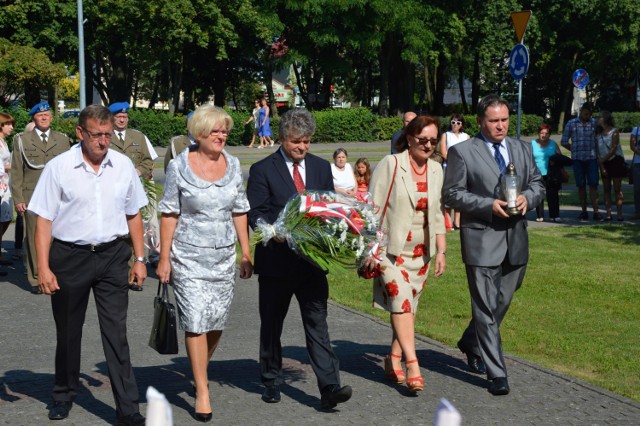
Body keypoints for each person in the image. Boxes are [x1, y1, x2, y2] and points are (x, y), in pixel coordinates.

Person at [28, 105, 148, 425]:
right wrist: (44, 267)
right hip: (69, 257)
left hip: (112, 256)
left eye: (108, 135)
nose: (103, 141)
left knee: (116, 332)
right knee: (68, 331)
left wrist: (139, 258)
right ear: (80, 133)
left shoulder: (122, 166)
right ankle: (63, 393)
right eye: (97, 135)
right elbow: (43, 220)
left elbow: (134, 213)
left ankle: (128, 408)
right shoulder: (59, 167)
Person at [247, 108, 352, 409]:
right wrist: (272, 231)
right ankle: (270, 379)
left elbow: (330, 209)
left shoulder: (320, 167)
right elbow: (255, 212)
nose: (302, 147)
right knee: (272, 324)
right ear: (281, 138)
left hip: (311, 264)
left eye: (306, 141)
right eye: (296, 142)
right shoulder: (262, 170)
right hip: (276, 262)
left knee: (318, 323)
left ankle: (330, 386)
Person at [156, 105, 253, 422]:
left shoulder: (234, 164)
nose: (222, 135)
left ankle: (199, 367)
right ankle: (202, 390)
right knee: (196, 320)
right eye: (216, 130)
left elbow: (239, 209)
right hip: (188, 256)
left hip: (223, 256)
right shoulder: (179, 166)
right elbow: (169, 212)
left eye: (225, 130)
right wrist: (165, 257)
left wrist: (246, 251)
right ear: (199, 133)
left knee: (216, 322)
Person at [443, 94, 545, 396]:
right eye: (494, 121)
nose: (501, 126)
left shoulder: (521, 147)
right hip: (481, 238)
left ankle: (471, 341)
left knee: (502, 302)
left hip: (516, 238)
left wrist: (530, 197)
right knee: (485, 306)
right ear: (480, 122)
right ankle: (496, 372)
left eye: (504, 120)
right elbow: (452, 194)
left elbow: (537, 183)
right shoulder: (463, 152)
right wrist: (489, 205)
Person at [364, 115, 447, 393]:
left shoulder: (436, 169)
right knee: (402, 302)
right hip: (391, 251)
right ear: (409, 138)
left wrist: (442, 249)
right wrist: (369, 248)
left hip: (421, 253)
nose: (428, 145)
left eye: (433, 141)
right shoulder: (392, 164)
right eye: (422, 140)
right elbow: (372, 208)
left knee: (409, 307)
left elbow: (437, 213)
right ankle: (413, 363)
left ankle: (394, 358)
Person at [11, 102, 70, 294]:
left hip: (58, 195)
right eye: (40, 115)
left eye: (47, 115)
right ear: (33, 119)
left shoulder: (62, 140)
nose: (44, 117)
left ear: (51, 118)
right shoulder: (22, 139)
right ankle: (37, 278)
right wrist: (18, 198)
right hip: (32, 194)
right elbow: (17, 172)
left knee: (59, 235)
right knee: (34, 236)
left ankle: (56, 273)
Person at [108, 101, 159, 290]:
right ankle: (116, 272)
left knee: (134, 231)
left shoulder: (138, 136)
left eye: (125, 116)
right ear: (112, 119)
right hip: (112, 191)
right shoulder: (106, 136)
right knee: (117, 233)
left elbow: (148, 161)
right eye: (119, 117)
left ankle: (133, 274)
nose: (122, 119)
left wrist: (139, 171)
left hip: (135, 189)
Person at [561, 102, 602, 221]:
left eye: (589, 114)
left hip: (592, 159)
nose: (587, 116)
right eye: (586, 113)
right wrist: (574, 149)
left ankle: (596, 212)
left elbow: (600, 139)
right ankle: (584, 212)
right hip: (578, 159)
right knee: (581, 186)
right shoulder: (571, 123)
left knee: (593, 185)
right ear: (581, 110)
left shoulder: (595, 123)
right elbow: (564, 141)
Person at [439, 114, 470, 229]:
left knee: (460, 193)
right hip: (449, 167)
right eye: (453, 122)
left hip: (462, 169)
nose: (455, 125)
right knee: (447, 193)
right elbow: (444, 153)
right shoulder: (446, 135)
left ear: (461, 124)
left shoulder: (466, 136)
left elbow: (468, 153)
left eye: (458, 123)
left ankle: (457, 221)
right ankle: (447, 221)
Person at [595, 111, 625, 221]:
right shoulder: (598, 134)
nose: (598, 119)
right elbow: (597, 151)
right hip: (604, 163)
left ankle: (619, 214)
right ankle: (608, 214)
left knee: (617, 188)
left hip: (615, 161)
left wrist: (602, 160)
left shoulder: (614, 131)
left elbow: (613, 149)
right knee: (606, 189)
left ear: (605, 119)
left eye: (600, 117)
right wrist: (602, 165)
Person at [531, 124, 562, 222]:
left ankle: (555, 215)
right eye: (541, 133)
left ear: (549, 135)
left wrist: (555, 160)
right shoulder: (532, 144)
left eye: (546, 133)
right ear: (538, 134)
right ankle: (540, 215)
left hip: (551, 173)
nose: (544, 135)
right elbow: (527, 158)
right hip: (536, 173)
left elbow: (560, 157)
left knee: (553, 195)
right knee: (539, 194)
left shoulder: (553, 144)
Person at [0, 113, 16, 267]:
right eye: (8, 124)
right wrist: (12, 166)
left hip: (5, 183)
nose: (11, 127)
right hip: (1, 184)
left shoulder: (4, 141)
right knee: (2, 218)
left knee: (6, 217)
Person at [630, 125, 640, 220]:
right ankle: (638, 212)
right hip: (637, 163)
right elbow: (632, 146)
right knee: (637, 189)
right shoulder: (636, 129)